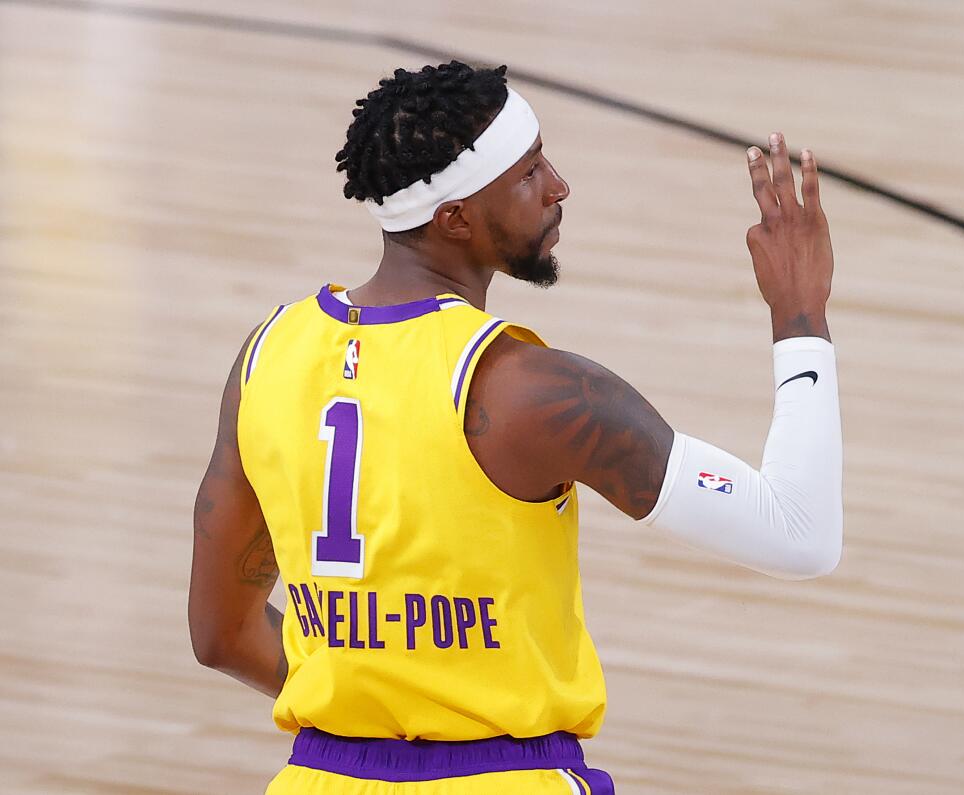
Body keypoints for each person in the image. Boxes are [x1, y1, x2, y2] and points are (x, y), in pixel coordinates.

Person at [188, 60, 843, 795]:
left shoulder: (267, 356)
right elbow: (800, 532)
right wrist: (800, 314)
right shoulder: (532, 392)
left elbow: (221, 633)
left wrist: (374, 694)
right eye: (529, 173)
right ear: (455, 218)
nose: (559, 186)